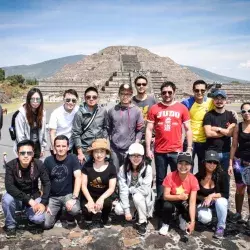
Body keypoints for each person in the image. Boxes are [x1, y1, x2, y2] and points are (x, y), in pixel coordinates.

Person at [146, 81, 192, 198]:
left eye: (169, 92)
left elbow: (188, 129)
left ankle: (176, 203)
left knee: (178, 177)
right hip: (160, 150)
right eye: (164, 92)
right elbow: (149, 129)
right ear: (161, 93)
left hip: (176, 150)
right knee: (161, 178)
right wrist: (148, 149)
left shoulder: (182, 108)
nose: (167, 94)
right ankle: (161, 202)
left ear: (174, 92)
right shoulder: (154, 108)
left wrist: (189, 148)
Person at [2, 140, 51, 238]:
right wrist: (29, 200)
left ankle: (30, 219)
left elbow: (47, 183)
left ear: (33, 154)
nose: (25, 156)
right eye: (22, 153)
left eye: (29, 153)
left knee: (39, 218)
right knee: (6, 199)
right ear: (17, 153)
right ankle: (11, 225)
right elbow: (9, 187)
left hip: (34, 195)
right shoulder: (10, 166)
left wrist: (44, 202)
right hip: (17, 198)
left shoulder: (39, 164)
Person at [114, 143, 155, 236]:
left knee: (137, 196)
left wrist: (131, 190)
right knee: (118, 210)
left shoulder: (147, 169)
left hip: (143, 198)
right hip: (129, 198)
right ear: (129, 156)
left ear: (143, 157)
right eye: (133, 155)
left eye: (139, 156)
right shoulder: (123, 169)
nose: (136, 158)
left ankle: (142, 221)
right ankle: (136, 212)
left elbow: (145, 190)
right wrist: (127, 211)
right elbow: (123, 190)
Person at [44, 135, 82, 229]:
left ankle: (67, 214)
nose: (61, 149)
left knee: (75, 210)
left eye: (64, 146)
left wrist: (74, 198)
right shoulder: (48, 161)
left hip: (68, 195)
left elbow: (78, 177)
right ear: (54, 147)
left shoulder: (73, 158)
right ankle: (57, 213)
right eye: (58, 146)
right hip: (53, 196)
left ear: (68, 147)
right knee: (46, 225)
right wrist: (45, 202)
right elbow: (45, 182)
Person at [159, 153, 199, 236]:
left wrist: (193, 222)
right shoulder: (170, 176)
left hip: (184, 202)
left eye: (187, 164)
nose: (183, 166)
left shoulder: (193, 179)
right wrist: (179, 196)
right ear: (177, 164)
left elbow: (192, 202)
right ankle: (165, 223)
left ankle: (182, 217)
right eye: (180, 163)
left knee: (194, 212)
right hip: (171, 200)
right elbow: (165, 196)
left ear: (191, 166)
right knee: (167, 206)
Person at [107, 83, 144, 172]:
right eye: (122, 93)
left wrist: (136, 142)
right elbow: (108, 129)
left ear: (131, 95)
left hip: (130, 148)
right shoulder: (112, 110)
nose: (125, 96)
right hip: (115, 148)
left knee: (128, 172)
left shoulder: (137, 111)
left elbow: (140, 129)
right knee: (115, 173)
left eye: (128, 94)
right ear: (119, 94)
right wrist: (108, 145)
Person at [81, 138, 117, 228]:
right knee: (86, 208)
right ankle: (88, 218)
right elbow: (84, 186)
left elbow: (111, 188)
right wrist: (90, 200)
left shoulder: (111, 167)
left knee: (107, 203)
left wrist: (101, 199)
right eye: (96, 152)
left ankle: (104, 217)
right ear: (92, 153)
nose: (99, 154)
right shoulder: (87, 166)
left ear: (106, 153)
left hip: (104, 194)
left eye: (102, 151)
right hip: (90, 194)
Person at [196, 150, 229, 239]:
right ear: (204, 162)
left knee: (221, 202)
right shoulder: (198, 176)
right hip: (204, 203)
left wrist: (211, 196)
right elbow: (194, 194)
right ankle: (214, 216)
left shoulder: (222, 175)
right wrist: (204, 198)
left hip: (217, 202)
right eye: (209, 161)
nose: (212, 164)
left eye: (215, 162)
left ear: (217, 164)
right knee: (204, 219)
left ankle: (221, 226)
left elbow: (226, 194)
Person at [182, 80, 214, 169]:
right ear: (193, 90)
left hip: (204, 141)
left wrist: (233, 113)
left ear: (206, 90)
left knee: (203, 169)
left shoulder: (211, 102)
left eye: (202, 90)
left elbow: (221, 109)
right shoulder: (186, 103)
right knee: (187, 168)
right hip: (189, 141)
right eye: (197, 90)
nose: (199, 92)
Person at [203, 90, 237, 173]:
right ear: (213, 100)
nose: (219, 101)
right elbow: (208, 133)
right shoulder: (208, 115)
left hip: (226, 152)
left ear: (225, 100)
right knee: (211, 179)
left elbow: (231, 133)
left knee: (225, 179)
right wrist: (226, 132)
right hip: (211, 152)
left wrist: (218, 129)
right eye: (217, 99)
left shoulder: (230, 115)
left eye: (222, 99)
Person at [72, 87, 108, 165]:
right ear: (84, 98)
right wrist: (80, 153)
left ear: (97, 98)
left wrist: (104, 141)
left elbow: (105, 127)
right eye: (88, 97)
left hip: (98, 148)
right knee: (85, 174)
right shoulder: (79, 114)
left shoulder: (103, 111)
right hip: (85, 150)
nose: (91, 99)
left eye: (94, 97)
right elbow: (76, 134)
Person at [228, 102, 250, 227]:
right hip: (239, 163)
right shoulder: (238, 127)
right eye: (244, 111)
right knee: (239, 190)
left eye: (249, 111)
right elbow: (234, 145)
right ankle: (238, 213)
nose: (247, 113)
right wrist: (231, 163)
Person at [15, 88, 47, 159]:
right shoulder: (21, 114)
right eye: (33, 99)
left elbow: (43, 131)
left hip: (37, 146)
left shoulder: (42, 113)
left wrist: (43, 147)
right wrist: (26, 150)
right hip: (25, 147)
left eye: (38, 99)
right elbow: (20, 136)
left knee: (36, 168)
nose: (35, 102)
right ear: (28, 99)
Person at [49, 89, 79, 154]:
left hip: (70, 147)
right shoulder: (56, 113)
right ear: (63, 99)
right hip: (58, 147)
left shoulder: (78, 110)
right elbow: (52, 132)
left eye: (73, 100)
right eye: (68, 100)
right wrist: (55, 149)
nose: (71, 102)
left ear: (76, 101)